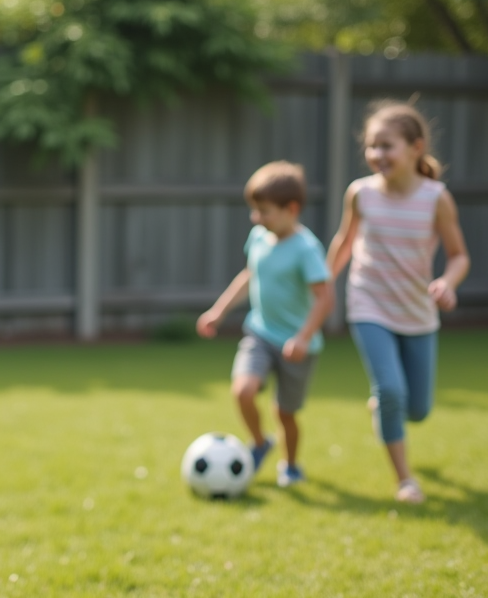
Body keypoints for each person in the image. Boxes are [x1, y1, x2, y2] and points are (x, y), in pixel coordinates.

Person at [324, 100, 470, 504]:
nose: (376, 155)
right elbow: (345, 242)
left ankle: (386, 408)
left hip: (417, 311)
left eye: (386, 145)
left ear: (415, 148)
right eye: (371, 146)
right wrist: (322, 281)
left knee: (418, 409)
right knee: (390, 389)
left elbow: (459, 255)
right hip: (368, 302)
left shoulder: (436, 198)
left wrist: (447, 281)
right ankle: (405, 479)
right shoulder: (360, 193)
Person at [197, 161, 335, 487]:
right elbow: (248, 276)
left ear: (292, 209)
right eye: (254, 211)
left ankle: (290, 464)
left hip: (297, 346)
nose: (255, 218)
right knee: (243, 391)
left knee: (285, 413)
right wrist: (219, 311)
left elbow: (326, 298)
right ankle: (260, 443)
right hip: (260, 333)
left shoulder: (306, 249)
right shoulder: (258, 237)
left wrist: (303, 337)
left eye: (264, 211)